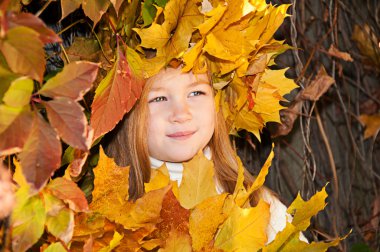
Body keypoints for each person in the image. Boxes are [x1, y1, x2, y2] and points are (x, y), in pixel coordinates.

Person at [104, 65, 304, 244]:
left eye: (196, 93)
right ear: (126, 113)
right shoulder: (110, 217)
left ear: (218, 103)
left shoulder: (257, 205)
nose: (181, 114)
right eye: (158, 98)